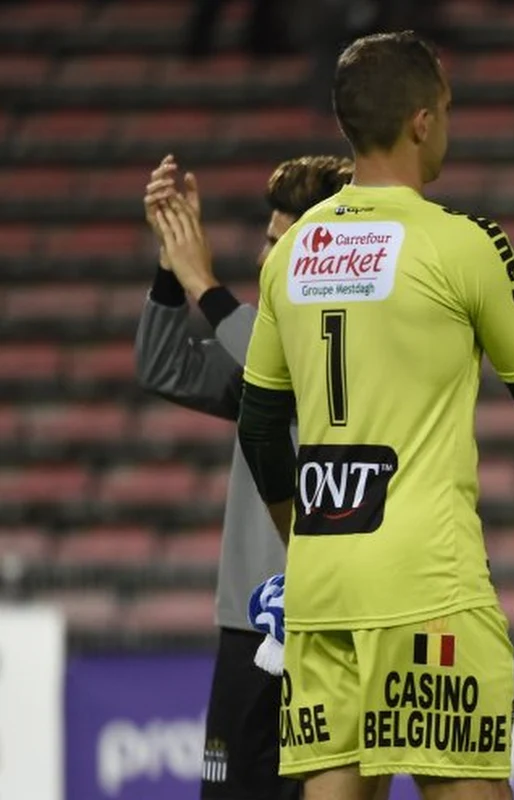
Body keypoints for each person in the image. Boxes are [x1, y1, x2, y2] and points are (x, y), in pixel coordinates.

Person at [235, 31, 514, 800]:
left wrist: (302, 540)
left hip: (322, 583)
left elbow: (261, 429)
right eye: (446, 106)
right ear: (420, 121)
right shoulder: (462, 243)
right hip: (425, 580)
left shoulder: (290, 251)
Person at [134, 152, 352, 800]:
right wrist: (173, 271)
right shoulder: (256, 346)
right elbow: (163, 366)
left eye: (282, 245)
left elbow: (288, 359)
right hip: (246, 622)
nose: (264, 259)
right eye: (266, 240)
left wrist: (204, 282)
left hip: (325, 627)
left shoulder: (338, 347)